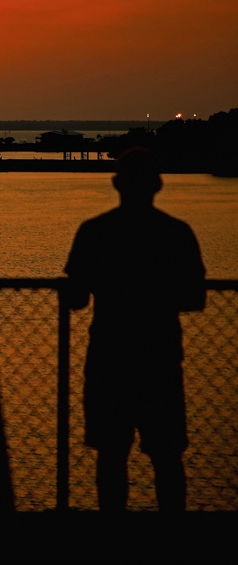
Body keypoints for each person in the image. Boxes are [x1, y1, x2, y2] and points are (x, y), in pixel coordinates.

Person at [64, 147, 205, 512]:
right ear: (157, 185)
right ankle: (172, 534)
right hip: (160, 355)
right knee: (167, 453)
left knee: (110, 453)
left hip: (109, 355)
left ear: (116, 183)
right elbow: (194, 298)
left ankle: (114, 534)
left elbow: (76, 298)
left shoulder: (94, 232)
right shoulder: (176, 233)